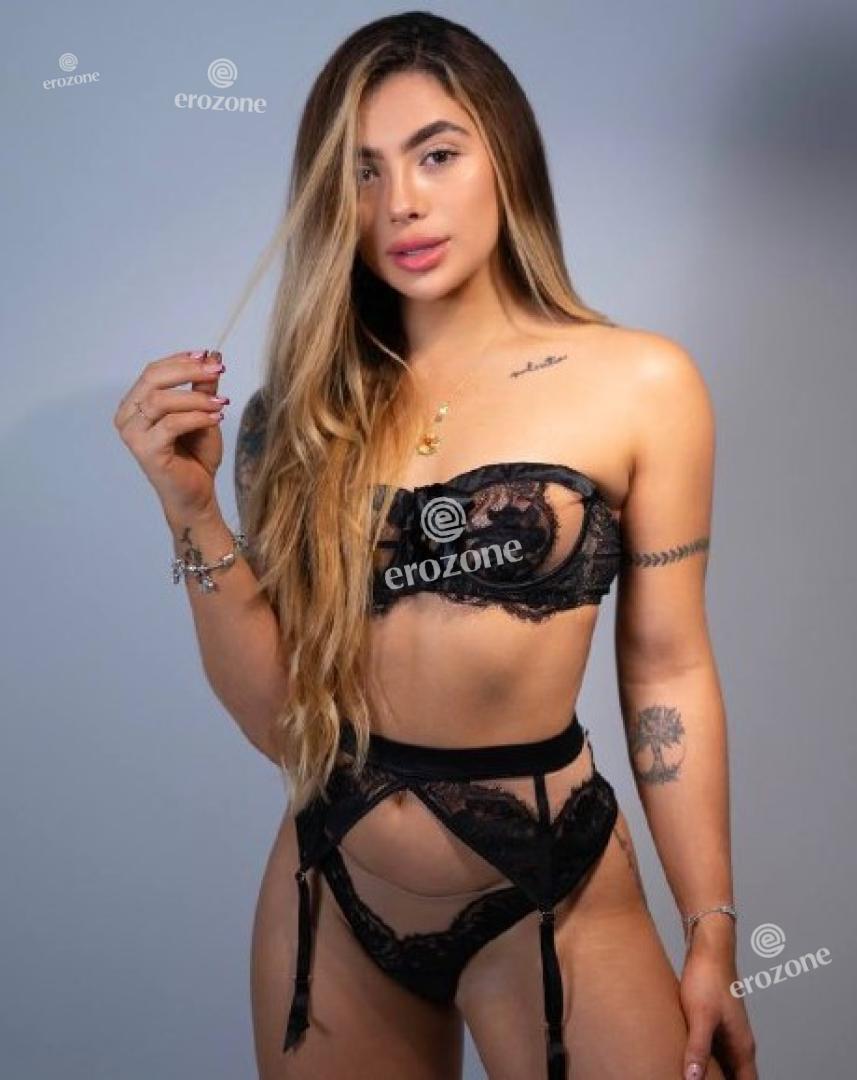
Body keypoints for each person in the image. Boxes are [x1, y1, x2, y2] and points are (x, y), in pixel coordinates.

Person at [113, 11, 758, 1080]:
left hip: (550, 887)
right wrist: (191, 513)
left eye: (436, 155)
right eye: (361, 172)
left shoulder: (639, 383)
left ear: (504, 156)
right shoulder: (296, 418)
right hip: (331, 884)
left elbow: (667, 665)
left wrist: (711, 931)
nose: (400, 202)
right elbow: (281, 722)